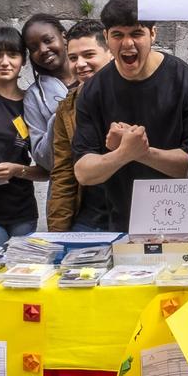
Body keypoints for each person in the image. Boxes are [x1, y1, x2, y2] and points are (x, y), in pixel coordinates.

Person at [72, 0, 188, 232]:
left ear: (153, 34)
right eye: (118, 35)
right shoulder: (93, 90)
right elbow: (83, 172)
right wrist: (125, 153)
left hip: (181, 224)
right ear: (106, 37)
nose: (128, 44)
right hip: (120, 226)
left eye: (137, 33)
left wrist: (139, 151)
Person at [0, 25, 47, 241]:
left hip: (23, 211)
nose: (5, 62)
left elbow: (47, 170)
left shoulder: (33, 103)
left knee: (22, 273)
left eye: (12, 55)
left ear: (23, 60)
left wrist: (17, 170)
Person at [46, 19, 112, 233]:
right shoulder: (67, 107)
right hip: (88, 218)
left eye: (89, 55)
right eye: (73, 58)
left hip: (132, 216)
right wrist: (58, 233)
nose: (80, 64)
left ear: (110, 51)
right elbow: (63, 172)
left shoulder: (136, 95)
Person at [19, 12, 71, 173]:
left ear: (64, 37)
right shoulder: (34, 97)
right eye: (33, 48)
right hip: (66, 188)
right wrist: (60, 115)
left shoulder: (93, 74)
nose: (43, 50)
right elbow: (43, 159)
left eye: (48, 40)